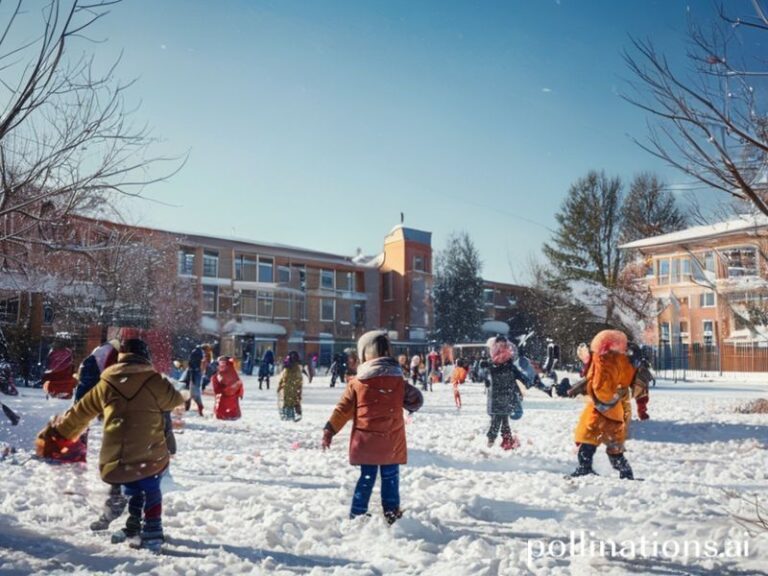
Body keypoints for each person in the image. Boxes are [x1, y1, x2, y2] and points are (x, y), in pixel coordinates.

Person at [36, 339, 187, 552]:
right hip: (150, 455)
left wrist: (57, 433)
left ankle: (133, 526)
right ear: (145, 357)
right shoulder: (154, 381)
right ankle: (153, 530)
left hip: (117, 459)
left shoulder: (106, 383)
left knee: (132, 484)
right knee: (150, 486)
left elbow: (80, 413)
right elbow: (174, 400)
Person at [322, 330, 423, 524]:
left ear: (364, 354)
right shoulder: (397, 380)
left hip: (366, 442)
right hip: (391, 441)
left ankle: (357, 514)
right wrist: (409, 397)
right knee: (390, 478)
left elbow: (343, 410)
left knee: (366, 477)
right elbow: (416, 400)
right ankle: (392, 513)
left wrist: (330, 429)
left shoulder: (358, 383)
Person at [571, 330, 636, 480]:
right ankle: (625, 472)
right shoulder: (621, 361)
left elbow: (601, 387)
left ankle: (584, 468)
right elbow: (623, 384)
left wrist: (594, 395)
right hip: (614, 411)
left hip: (601, 410)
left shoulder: (603, 361)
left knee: (588, 441)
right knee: (613, 447)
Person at [485, 336, 524, 450]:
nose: (502, 347)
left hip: (502, 394)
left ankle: (498, 439)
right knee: (501, 417)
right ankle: (501, 439)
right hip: (501, 394)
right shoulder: (499, 362)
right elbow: (488, 376)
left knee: (501, 417)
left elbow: (517, 378)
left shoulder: (501, 362)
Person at [212, 356, 244, 420]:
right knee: (227, 405)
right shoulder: (224, 372)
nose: (222, 365)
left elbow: (238, 382)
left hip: (226, 393)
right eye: (221, 363)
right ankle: (232, 415)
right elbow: (239, 382)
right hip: (228, 393)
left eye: (223, 363)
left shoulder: (225, 372)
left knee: (223, 405)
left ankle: (225, 415)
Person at [277, 351, 304, 421]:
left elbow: (283, 377)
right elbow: (299, 380)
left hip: (288, 387)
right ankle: (291, 416)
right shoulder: (297, 368)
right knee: (293, 402)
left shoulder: (288, 367)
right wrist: (299, 389)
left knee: (288, 402)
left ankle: (287, 416)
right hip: (293, 388)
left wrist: (280, 386)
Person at [186, 344, 205, 415]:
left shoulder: (195, 352)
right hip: (195, 372)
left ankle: (188, 407)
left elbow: (190, 362)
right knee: (195, 390)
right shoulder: (199, 353)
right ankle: (199, 406)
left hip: (193, 372)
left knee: (190, 390)